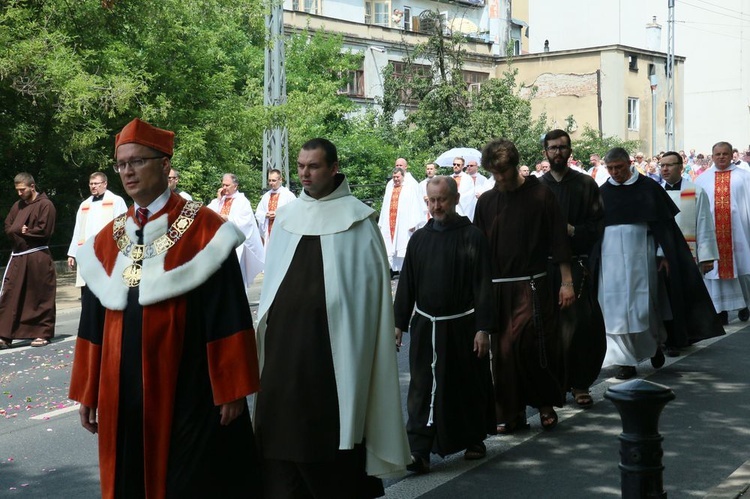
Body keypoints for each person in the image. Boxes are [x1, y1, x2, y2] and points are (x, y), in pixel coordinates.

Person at [68, 118, 261, 497]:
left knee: (189, 483)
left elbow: (228, 314)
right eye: (121, 164)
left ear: (163, 164)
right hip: (123, 394)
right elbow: (92, 322)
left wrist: (232, 387)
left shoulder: (206, 229)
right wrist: (89, 390)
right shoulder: (107, 240)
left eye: (137, 161)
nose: (127, 172)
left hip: (189, 389)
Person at [255, 138, 410, 498]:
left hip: (333, 355)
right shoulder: (289, 217)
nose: (305, 174)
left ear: (333, 167)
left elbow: (368, 299)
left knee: (326, 441)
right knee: (277, 434)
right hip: (282, 354)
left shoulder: (358, 220)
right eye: (301, 166)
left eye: (314, 166)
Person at [591, 147, 723, 380]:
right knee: (613, 311)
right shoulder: (602, 192)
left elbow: (664, 229)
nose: (615, 173)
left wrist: (663, 255)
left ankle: (652, 346)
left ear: (629, 163)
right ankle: (625, 361)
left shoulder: (648, 188)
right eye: (610, 169)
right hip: (609, 262)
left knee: (644, 307)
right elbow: (594, 230)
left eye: (619, 168)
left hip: (641, 257)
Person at [394, 175, 495, 474]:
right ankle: (419, 450)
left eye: (442, 200)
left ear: (454, 200)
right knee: (421, 387)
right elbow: (407, 285)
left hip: (462, 325)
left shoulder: (472, 236)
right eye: (432, 200)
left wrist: (483, 328)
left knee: (464, 383)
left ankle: (473, 438)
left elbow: (483, 286)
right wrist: (398, 322)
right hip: (426, 326)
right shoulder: (419, 239)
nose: (436, 206)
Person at [474, 138, 575, 433]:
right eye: (495, 174)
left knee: (532, 347)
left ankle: (544, 404)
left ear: (515, 166)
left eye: (504, 172)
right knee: (503, 353)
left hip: (533, 286)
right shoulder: (487, 201)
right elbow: (478, 250)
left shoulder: (541, 195)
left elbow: (559, 240)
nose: (500, 179)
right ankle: (511, 412)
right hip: (497, 289)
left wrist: (566, 282)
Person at [539, 130, 606, 408]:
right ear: (545, 152)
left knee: (582, 327)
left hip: (577, 264)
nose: (557, 153)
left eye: (562, 148)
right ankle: (554, 385)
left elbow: (598, 225)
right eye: (552, 148)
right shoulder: (536, 187)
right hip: (545, 268)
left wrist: (573, 230)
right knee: (549, 328)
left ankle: (580, 383)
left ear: (570, 151)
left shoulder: (585, 184)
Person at [659, 151, 720, 355]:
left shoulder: (695, 191)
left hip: (688, 255)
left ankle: (684, 336)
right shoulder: (656, 191)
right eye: (662, 165)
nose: (665, 169)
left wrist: (707, 255)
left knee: (686, 297)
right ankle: (668, 339)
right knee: (665, 298)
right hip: (661, 256)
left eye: (669, 165)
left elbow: (704, 223)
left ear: (680, 166)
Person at [694, 141, 750, 324]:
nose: (721, 157)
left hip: (739, 232)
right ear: (712, 155)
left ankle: (745, 306)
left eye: (725, 153)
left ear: (731, 154)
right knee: (715, 273)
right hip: (712, 234)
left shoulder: (744, 177)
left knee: (742, 270)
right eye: (717, 154)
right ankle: (720, 311)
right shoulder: (702, 179)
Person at [0, 173, 57, 349]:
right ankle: (5, 334)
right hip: (18, 257)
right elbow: (9, 227)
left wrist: (24, 231)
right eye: (17, 190)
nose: (19, 193)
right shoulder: (17, 206)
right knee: (11, 294)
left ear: (32, 187)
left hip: (37, 257)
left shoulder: (46, 205)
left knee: (39, 295)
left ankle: (42, 333)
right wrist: (20, 229)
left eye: (22, 190)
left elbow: (43, 231)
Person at [67, 172, 127, 288]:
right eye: (91, 184)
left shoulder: (116, 201)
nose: (93, 186)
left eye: (96, 183)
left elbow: (122, 228)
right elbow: (78, 230)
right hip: (87, 253)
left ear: (105, 184)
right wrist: (72, 254)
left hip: (107, 251)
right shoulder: (85, 205)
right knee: (88, 290)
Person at [207, 173, 265, 289]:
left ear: (235, 186)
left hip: (236, 245)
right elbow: (208, 213)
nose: (224, 188)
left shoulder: (242, 201)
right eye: (223, 185)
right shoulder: (219, 201)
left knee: (236, 276)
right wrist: (218, 200)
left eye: (227, 185)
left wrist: (228, 218)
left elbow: (245, 222)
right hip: (219, 244)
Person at [378, 167, 425, 273]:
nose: (395, 179)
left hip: (404, 223)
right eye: (394, 177)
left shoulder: (409, 189)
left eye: (397, 177)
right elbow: (385, 207)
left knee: (402, 245)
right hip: (389, 222)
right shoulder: (390, 189)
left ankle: (405, 269)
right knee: (389, 245)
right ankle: (392, 269)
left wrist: (413, 222)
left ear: (403, 176)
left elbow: (414, 206)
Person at [255, 168, 296, 244]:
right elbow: (258, 213)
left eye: (274, 180)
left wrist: (278, 214)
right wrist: (265, 215)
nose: (271, 183)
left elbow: (295, 213)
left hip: (283, 233)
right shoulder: (266, 196)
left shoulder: (288, 195)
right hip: (268, 230)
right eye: (269, 180)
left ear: (280, 180)